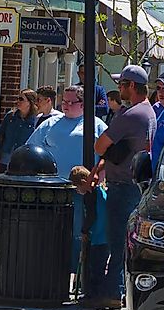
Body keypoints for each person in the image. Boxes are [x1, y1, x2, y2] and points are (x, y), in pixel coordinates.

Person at [94, 65, 156, 308]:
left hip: (122, 184)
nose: (119, 90)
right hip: (136, 183)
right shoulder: (149, 112)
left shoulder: (130, 115)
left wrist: (107, 154)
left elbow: (100, 146)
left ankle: (112, 291)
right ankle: (118, 290)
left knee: (117, 240)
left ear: (132, 86)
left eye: (122, 85)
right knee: (127, 240)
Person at [25, 86, 106, 268]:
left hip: (81, 190)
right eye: (64, 102)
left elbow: (107, 157)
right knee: (53, 232)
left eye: (71, 102)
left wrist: (98, 179)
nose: (66, 106)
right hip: (53, 190)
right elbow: (30, 149)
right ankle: (54, 270)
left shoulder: (96, 125)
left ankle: (76, 271)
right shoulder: (50, 123)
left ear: (83, 104)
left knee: (78, 232)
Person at [69, 165, 109, 307]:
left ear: (83, 182)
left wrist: (84, 230)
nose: (78, 191)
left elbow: (91, 216)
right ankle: (97, 294)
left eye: (77, 187)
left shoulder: (90, 195)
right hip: (105, 234)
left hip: (98, 236)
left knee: (96, 268)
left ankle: (94, 295)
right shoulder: (101, 191)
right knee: (100, 266)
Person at [0, 89, 38, 172]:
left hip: (24, 161)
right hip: (5, 160)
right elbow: (0, 136)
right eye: (18, 98)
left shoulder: (36, 120)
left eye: (21, 99)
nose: (17, 101)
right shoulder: (10, 117)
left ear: (30, 103)